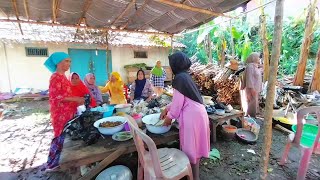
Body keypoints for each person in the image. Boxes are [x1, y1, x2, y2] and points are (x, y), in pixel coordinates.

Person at [160, 52, 210, 180]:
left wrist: (169, 117)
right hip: (199, 113)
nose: (170, 68)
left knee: (191, 148)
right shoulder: (185, 76)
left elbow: (177, 105)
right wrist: (167, 108)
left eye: (170, 65)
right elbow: (182, 99)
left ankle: (192, 176)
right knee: (196, 147)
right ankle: (195, 175)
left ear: (175, 65)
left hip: (192, 116)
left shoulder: (179, 78)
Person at [43, 52, 84, 170]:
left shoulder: (63, 77)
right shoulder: (55, 77)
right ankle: (52, 164)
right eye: (66, 61)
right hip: (60, 113)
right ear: (58, 62)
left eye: (70, 61)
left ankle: (59, 161)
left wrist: (76, 101)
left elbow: (66, 94)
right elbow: (56, 97)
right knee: (59, 137)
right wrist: (75, 99)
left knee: (65, 138)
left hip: (68, 111)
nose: (69, 63)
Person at [240, 52, 262, 118]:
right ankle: (250, 117)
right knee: (251, 103)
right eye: (257, 57)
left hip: (254, 88)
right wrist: (252, 89)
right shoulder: (250, 67)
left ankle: (252, 117)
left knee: (253, 103)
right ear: (253, 58)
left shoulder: (254, 66)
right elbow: (249, 79)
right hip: (251, 89)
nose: (259, 58)